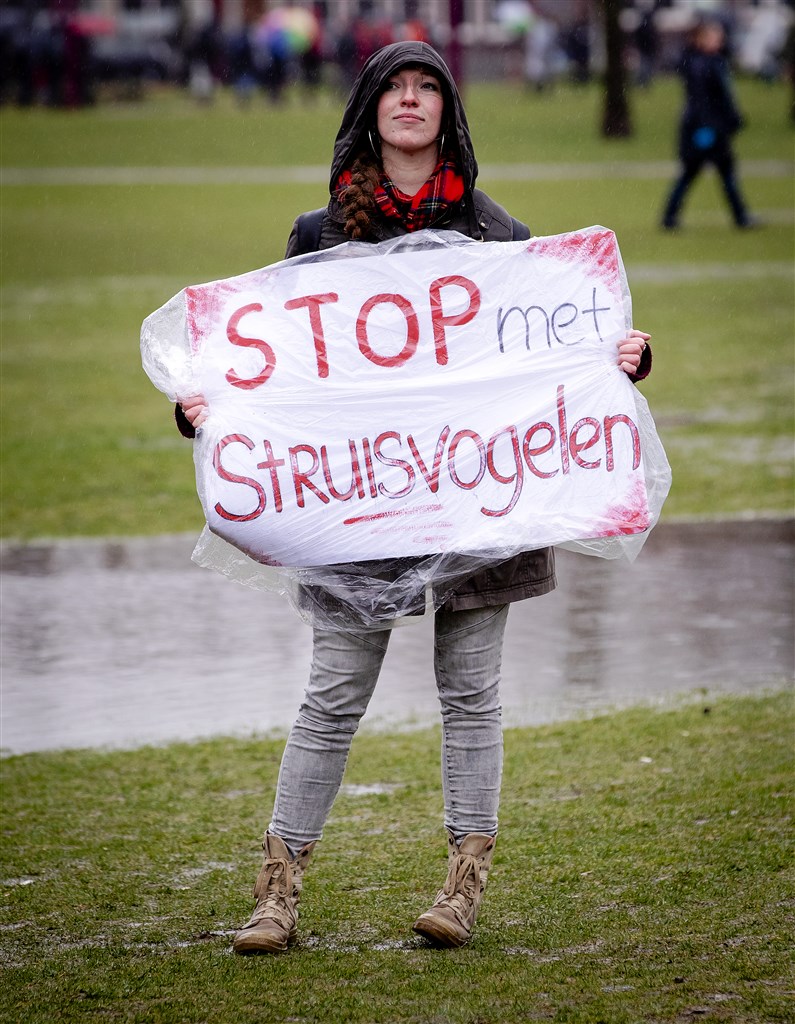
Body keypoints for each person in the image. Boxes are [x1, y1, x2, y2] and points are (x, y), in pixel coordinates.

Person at [176, 41, 651, 954]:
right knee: (331, 694)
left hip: (479, 504)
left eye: (425, 88)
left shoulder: (498, 238)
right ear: (367, 109)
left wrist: (619, 361)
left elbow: (550, 353)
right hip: (357, 514)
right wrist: (209, 409)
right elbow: (274, 378)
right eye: (392, 87)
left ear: (447, 114)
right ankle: (277, 894)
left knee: (471, 693)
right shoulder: (319, 238)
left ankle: (461, 888)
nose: (408, 100)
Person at [661, 18, 755, 230]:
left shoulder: (713, 61)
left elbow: (723, 98)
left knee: (720, 174)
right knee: (696, 174)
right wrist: (707, 127)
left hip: (712, 128)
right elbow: (702, 100)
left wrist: (731, 119)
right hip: (703, 130)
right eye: (713, 37)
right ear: (701, 40)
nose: (718, 40)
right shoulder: (700, 64)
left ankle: (740, 217)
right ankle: (670, 217)